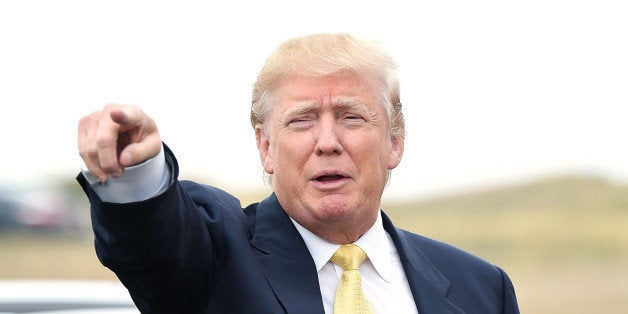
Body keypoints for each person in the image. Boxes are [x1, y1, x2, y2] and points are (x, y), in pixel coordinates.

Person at [77, 33, 519, 313]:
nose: (327, 141)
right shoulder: (216, 258)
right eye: (302, 119)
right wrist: (137, 173)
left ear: (394, 142)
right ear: (266, 147)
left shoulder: (481, 288)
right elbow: (155, 246)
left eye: (352, 117)